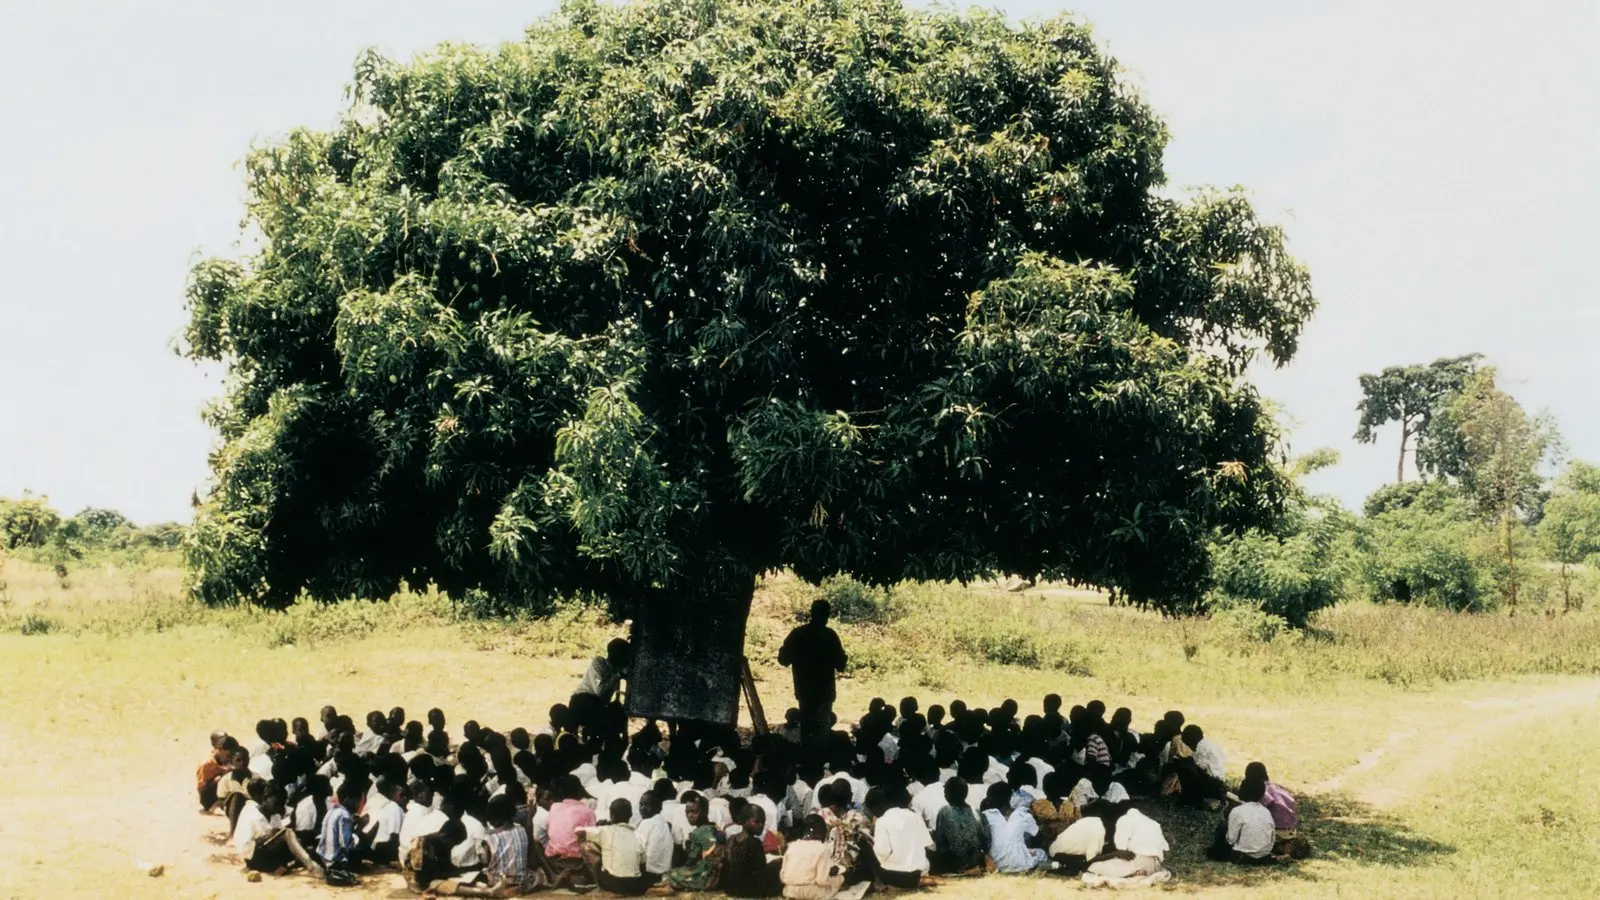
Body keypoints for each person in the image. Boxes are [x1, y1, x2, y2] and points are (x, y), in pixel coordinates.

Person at [778, 600, 848, 750]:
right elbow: (841, 665)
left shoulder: (799, 634)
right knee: (821, 732)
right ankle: (818, 761)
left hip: (805, 691)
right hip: (824, 692)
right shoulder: (829, 636)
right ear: (827, 615)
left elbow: (783, 659)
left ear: (811, 613)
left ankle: (808, 762)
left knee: (808, 730)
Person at [232, 780, 323, 876]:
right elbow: (244, 847)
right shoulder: (251, 814)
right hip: (255, 858)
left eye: (281, 804)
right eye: (276, 803)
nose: (278, 807)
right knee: (288, 833)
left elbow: (278, 837)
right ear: (265, 798)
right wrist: (267, 837)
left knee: (305, 836)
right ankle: (311, 866)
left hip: (270, 853)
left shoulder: (274, 814)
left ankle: (318, 859)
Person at [575, 798, 651, 896]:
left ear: (612, 816)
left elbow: (578, 831)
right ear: (630, 815)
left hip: (612, 883)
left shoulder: (605, 831)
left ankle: (600, 885)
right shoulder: (639, 836)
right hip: (634, 885)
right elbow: (642, 863)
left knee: (585, 846)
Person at [1083, 807, 1168, 886]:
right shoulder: (1153, 823)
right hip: (1155, 866)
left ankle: (1134, 873)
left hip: (1138, 861)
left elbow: (1121, 848)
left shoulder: (1124, 819)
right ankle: (1137, 872)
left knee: (1094, 867)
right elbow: (1165, 848)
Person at [872, 787, 933, 889]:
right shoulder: (916, 816)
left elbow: (882, 851)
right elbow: (927, 844)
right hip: (918, 872)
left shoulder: (882, 821)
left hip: (894, 875)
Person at [979, 782, 1045, 873]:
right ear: (1010, 798)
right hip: (1022, 865)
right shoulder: (1022, 814)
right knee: (1041, 853)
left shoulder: (986, 815)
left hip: (997, 865)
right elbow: (1039, 838)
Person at [546, 775, 598, 887]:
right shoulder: (587, 811)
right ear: (579, 789)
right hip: (578, 860)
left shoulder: (554, 807)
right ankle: (578, 876)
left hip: (554, 860)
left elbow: (549, 830)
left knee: (537, 844)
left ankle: (556, 875)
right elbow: (592, 837)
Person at [1209, 779, 1277, 865]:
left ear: (1242, 792)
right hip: (1264, 856)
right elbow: (1272, 837)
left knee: (1221, 829)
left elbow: (1231, 840)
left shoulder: (1237, 811)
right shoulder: (1266, 811)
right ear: (1262, 794)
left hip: (1243, 857)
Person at [665, 794, 724, 892]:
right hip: (717, 876)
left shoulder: (699, 832)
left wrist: (684, 868)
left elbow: (692, 859)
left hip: (704, 876)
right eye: (687, 812)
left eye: (694, 812)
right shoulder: (714, 827)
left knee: (669, 874)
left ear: (705, 812)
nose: (690, 816)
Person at [723, 805, 783, 898]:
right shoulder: (754, 842)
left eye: (763, 822)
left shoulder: (731, 839)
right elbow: (760, 871)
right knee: (779, 864)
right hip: (749, 890)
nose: (761, 825)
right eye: (757, 822)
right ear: (745, 821)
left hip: (730, 888)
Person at [931, 779, 987, 875]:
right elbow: (984, 839)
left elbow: (940, 844)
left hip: (953, 865)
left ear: (949, 792)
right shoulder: (976, 811)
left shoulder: (945, 812)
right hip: (974, 862)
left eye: (945, 791)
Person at [781, 815, 844, 900]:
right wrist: (830, 875)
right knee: (840, 878)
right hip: (812, 892)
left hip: (790, 891)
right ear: (822, 832)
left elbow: (783, 876)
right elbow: (821, 880)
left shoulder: (792, 846)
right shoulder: (823, 848)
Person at [1047, 810, 1106, 876]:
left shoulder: (1094, 820)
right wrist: (1113, 854)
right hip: (1058, 855)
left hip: (1054, 848)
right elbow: (1091, 858)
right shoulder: (1099, 831)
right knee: (1087, 865)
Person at [635, 792, 675, 881]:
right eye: (641, 804)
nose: (642, 808)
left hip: (648, 874)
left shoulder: (647, 823)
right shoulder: (664, 823)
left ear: (658, 807)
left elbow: (636, 850)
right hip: (663, 874)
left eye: (647, 805)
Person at [198, 731, 235, 812]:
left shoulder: (227, 755)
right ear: (218, 748)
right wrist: (223, 774)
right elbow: (202, 790)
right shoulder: (207, 764)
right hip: (210, 797)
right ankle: (215, 806)